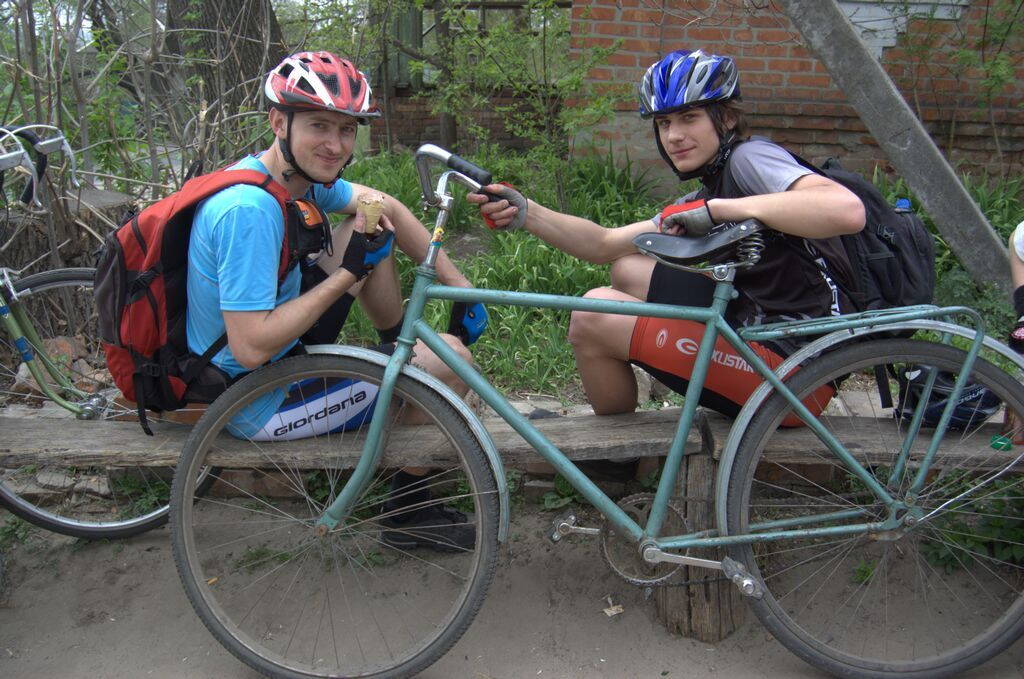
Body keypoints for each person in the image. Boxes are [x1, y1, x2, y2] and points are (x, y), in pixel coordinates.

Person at [469, 49, 866, 428]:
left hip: (795, 379)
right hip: (762, 330)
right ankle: (622, 431)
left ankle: (617, 459)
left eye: (689, 118)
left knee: (593, 315)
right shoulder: (711, 185)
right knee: (628, 268)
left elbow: (847, 210)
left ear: (727, 118)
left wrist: (719, 210)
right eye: (664, 123)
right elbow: (604, 244)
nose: (674, 135)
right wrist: (527, 211)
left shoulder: (749, 160)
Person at [187, 50, 479, 550]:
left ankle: (399, 359)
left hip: (277, 355)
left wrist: (461, 287)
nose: (335, 145)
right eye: (319, 126)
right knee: (453, 360)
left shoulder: (284, 177)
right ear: (278, 122)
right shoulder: (249, 212)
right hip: (254, 398)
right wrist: (346, 274)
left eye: (346, 129)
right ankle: (408, 514)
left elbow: (383, 204)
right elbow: (251, 348)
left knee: (371, 224)